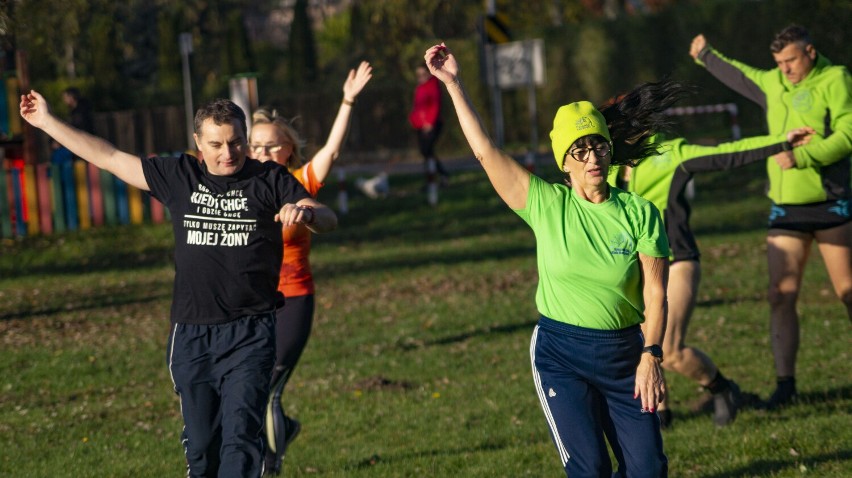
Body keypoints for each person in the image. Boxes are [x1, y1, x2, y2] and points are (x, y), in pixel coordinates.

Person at [20, 92, 338, 477]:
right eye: (217, 144)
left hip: (252, 332)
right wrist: (48, 123)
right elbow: (108, 157)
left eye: (236, 142)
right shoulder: (179, 177)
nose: (229, 153)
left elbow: (327, 216)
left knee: (241, 445)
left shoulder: (268, 179)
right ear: (199, 144)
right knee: (203, 451)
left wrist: (305, 212)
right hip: (192, 334)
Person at [425, 42, 692, 477]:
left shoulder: (640, 211)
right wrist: (453, 84)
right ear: (564, 161)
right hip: (561, 353)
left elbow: (656, 292)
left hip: (627, 354)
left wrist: (652, 355)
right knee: (589, 470)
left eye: (599, 147)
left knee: (649, 469)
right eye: (580, 151)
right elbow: (485, 151)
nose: (593, 158)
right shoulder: (546, 204)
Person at [690, 25, 852, 409]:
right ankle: (786, 386)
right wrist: (706, 55)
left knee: (848, 294)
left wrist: (803, 157)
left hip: (831, 204)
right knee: (780, 296)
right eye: (778, 63)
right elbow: (740, 74)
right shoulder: (773, 83)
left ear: (810, 52)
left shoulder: (836, 78)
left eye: (791, 61)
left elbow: (847, 134)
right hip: (786, 207)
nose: (785, 70)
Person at [610, 127, 816, 428]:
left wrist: (781, 142)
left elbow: (728, 154)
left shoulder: (672, 155)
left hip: (676, 262)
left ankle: (722, 389)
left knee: (668, 351)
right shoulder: (609, 166)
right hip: (632, 266)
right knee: (642, 342)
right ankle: (660, 416)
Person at [249, 60, 372, 475]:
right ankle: (283, 431)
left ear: (288, 149)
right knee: (248, 391)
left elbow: (332, 150)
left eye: (271, 146)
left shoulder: (301, 181)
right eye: (255, 146)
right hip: (249, 303)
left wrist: (348, 100)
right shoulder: (241, 188)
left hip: (293, 299)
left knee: (266, 390)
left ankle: (271, 465)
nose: (262, 153)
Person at [409, 63, 450, 185]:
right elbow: (417, 107)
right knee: (425, 152)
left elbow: (435, 105)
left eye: (423, 74)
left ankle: (439, 176)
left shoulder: (433, 85)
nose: (420, 77)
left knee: (427, 150)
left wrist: (429, 123)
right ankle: (433, 178)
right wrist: (414, 120)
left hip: (432, 124)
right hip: (421, 126)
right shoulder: (419, 88)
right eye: (418, 75)